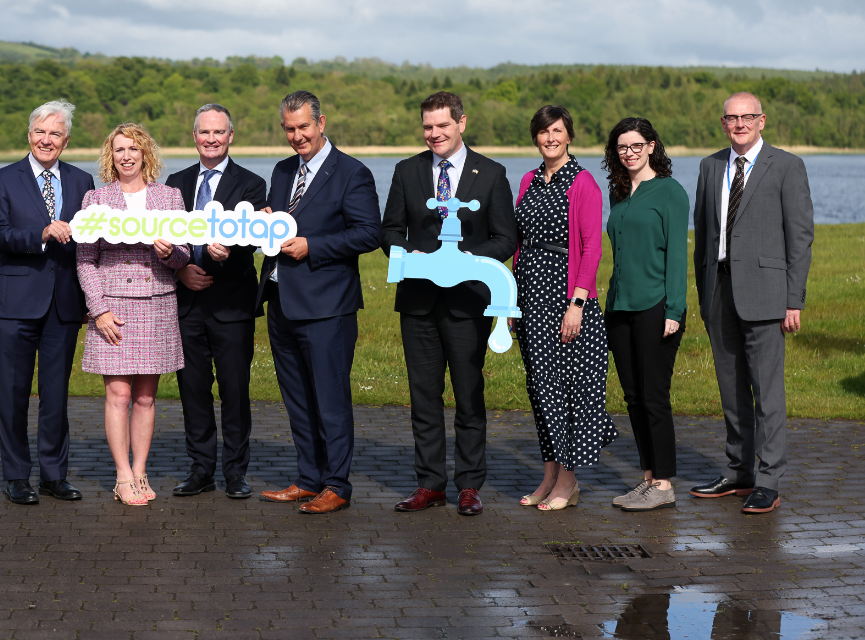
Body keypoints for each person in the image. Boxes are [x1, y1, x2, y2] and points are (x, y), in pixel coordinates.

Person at [381, 92, 517, 517]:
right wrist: (415, 257)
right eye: (427, 126)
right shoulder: (407, 170)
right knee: (423, 396)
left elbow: (505, 239)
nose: (434, 133)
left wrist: (466, 262)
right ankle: (430, 484)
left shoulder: (491, 173)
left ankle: (469, 485)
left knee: (468, 395)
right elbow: (389, 231)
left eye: (442, 125)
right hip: (418, 302)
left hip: (467, 303)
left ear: (461, 122)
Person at [256, 90, 382, 514]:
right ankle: (308, 479)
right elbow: (281, 224)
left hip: (328, 307)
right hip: (281, 301)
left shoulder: (352, 172)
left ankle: (337, 486)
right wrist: (263, 223)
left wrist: (313, 246)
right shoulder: (282, 170)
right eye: (290, 129)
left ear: (321, 123)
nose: (298, 136)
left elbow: (369, 233)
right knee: (297, 398)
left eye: (304, 127)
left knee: (330, 399)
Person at [690, 92, 813, 514]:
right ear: (723, 123)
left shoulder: (788, 166)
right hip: (719, 291)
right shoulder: (710, 167)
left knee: (767, 392)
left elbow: (800, 237)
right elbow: (703, 236)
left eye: (747, 117)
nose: (739, 124)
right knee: (731, 389)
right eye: (731, 118)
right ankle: (738, 471)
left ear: (762, 120)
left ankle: (768, 480)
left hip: (767, 293)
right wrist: (704, 294)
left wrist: (793, 300)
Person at [0, 99, 96, 506]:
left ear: (66, 140)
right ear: (29, 134)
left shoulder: (83, 181)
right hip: (15, 304)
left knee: (56, 395)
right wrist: (42, 234)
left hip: (64, 304)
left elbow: (92, 238)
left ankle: (53, 475)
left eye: (55, 134)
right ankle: (17, 476)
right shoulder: (2, 178)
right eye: (40, 132)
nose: (46, 140)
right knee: (13, 394)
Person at [76, 123, 191, 506]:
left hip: (156, 303)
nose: (126, 156)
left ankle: (140, 470)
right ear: (111, 156)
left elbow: (184, 254)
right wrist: (99, 310)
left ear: (145, 154)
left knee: (144, 397)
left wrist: (170, 253)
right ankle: (122, 475)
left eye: (133, 149)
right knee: (118, 393)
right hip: (113, 306)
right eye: (119, 149)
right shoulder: (95, 199)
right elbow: (85, 259)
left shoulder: (169, 197)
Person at [511, 105, 618, 511]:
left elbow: (592, 249)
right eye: (543, 132)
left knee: (571, 392)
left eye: (557, 131)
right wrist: (513, 301)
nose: (550, 138)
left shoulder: (582, 182)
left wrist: (577, 303)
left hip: (567, 300)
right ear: (535, 138)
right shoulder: (528, 180)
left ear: (569, 135)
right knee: (542, 390)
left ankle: (569, 482)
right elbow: (519, 243)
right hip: (531, 297)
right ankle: (549, 476)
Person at [165, 104, 267, 499]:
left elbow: (256, 236)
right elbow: (167, 238)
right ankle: (201, 469)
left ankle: (236, 472)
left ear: (231, 136)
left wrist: (231, 249)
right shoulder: (175, 183)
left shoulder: (252, 184)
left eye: (219, 132)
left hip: (232, 304)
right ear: (194, 137)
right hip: (187, 303)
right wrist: (180, 271)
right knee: (193, 390)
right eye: (204, 132)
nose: (211, 139)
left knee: (235, 390)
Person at [601, 117, 689, 512]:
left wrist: (674, 310)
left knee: (654, 396)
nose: (629, 153)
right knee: (633, 397)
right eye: (622, 147)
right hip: (620, 307)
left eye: (637, 145)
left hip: (657, 306)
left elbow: (677, 256)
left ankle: (665, 484)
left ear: (652, 146)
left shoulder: (670, 192)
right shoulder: (618, 191)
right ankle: (649, 479)